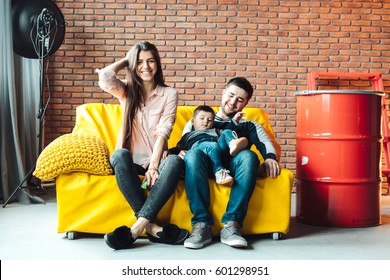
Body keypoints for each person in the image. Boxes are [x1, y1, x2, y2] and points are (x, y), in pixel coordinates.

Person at [96, 41, 189, 250]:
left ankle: (136, 229)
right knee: (119, 155)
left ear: (158, 64)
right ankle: (153, 228)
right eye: (139, 62)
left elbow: (164, 131)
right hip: (131, 163)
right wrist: (127, 60)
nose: (145, 66)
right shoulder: (126, 91)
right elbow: (105, 77)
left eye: (150, 61)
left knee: (174, 161)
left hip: (155, 160)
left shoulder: (169, 94)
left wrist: (154, 166)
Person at [183, 77, 281, 249]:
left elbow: (266, 144)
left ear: (245, 104)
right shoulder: (202, 118)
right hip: (203, 165)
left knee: (249, 156)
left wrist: (270, 158)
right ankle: (201, 226)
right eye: (231, 95)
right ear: (223, 93)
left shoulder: (249, 125)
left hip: (234, 167)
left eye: (240, 100)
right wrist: (181, 152)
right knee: (192, 155)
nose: (233, 102)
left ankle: (232, 225)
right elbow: (184, 141)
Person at [169, 105, 249, 185]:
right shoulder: (188, 136)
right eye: (202, 118)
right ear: (193, 121)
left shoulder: (215, 131)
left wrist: (235, 120)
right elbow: (177, 148)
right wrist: (169, 152)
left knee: (226, 132)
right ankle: (219, 172)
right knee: (212, 145)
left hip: (219, 153)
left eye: (210, 120)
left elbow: (228, 128)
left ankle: (233, 144)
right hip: (202, 157)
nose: (206, 121)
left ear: (213, 123)